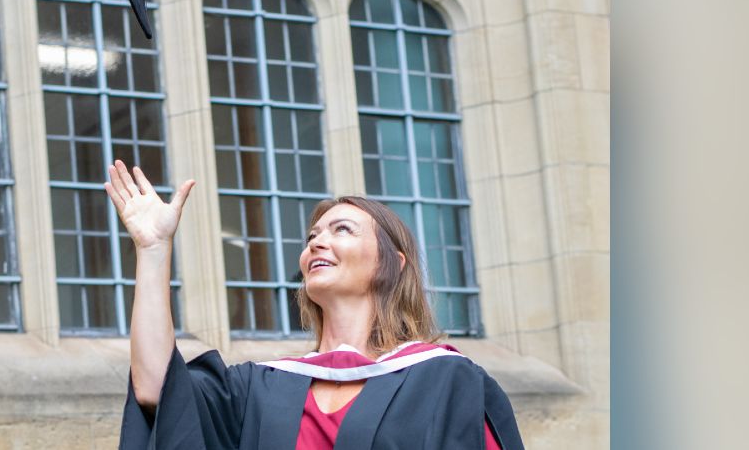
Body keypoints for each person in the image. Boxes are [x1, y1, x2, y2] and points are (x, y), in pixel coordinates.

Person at [104, 159, 524, 450]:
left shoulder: (445, 382)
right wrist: (154, 249)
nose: (317, 242)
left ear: (393, 262)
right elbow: (157, 386)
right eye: (311, 237)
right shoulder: (258, 388)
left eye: (342, 229)